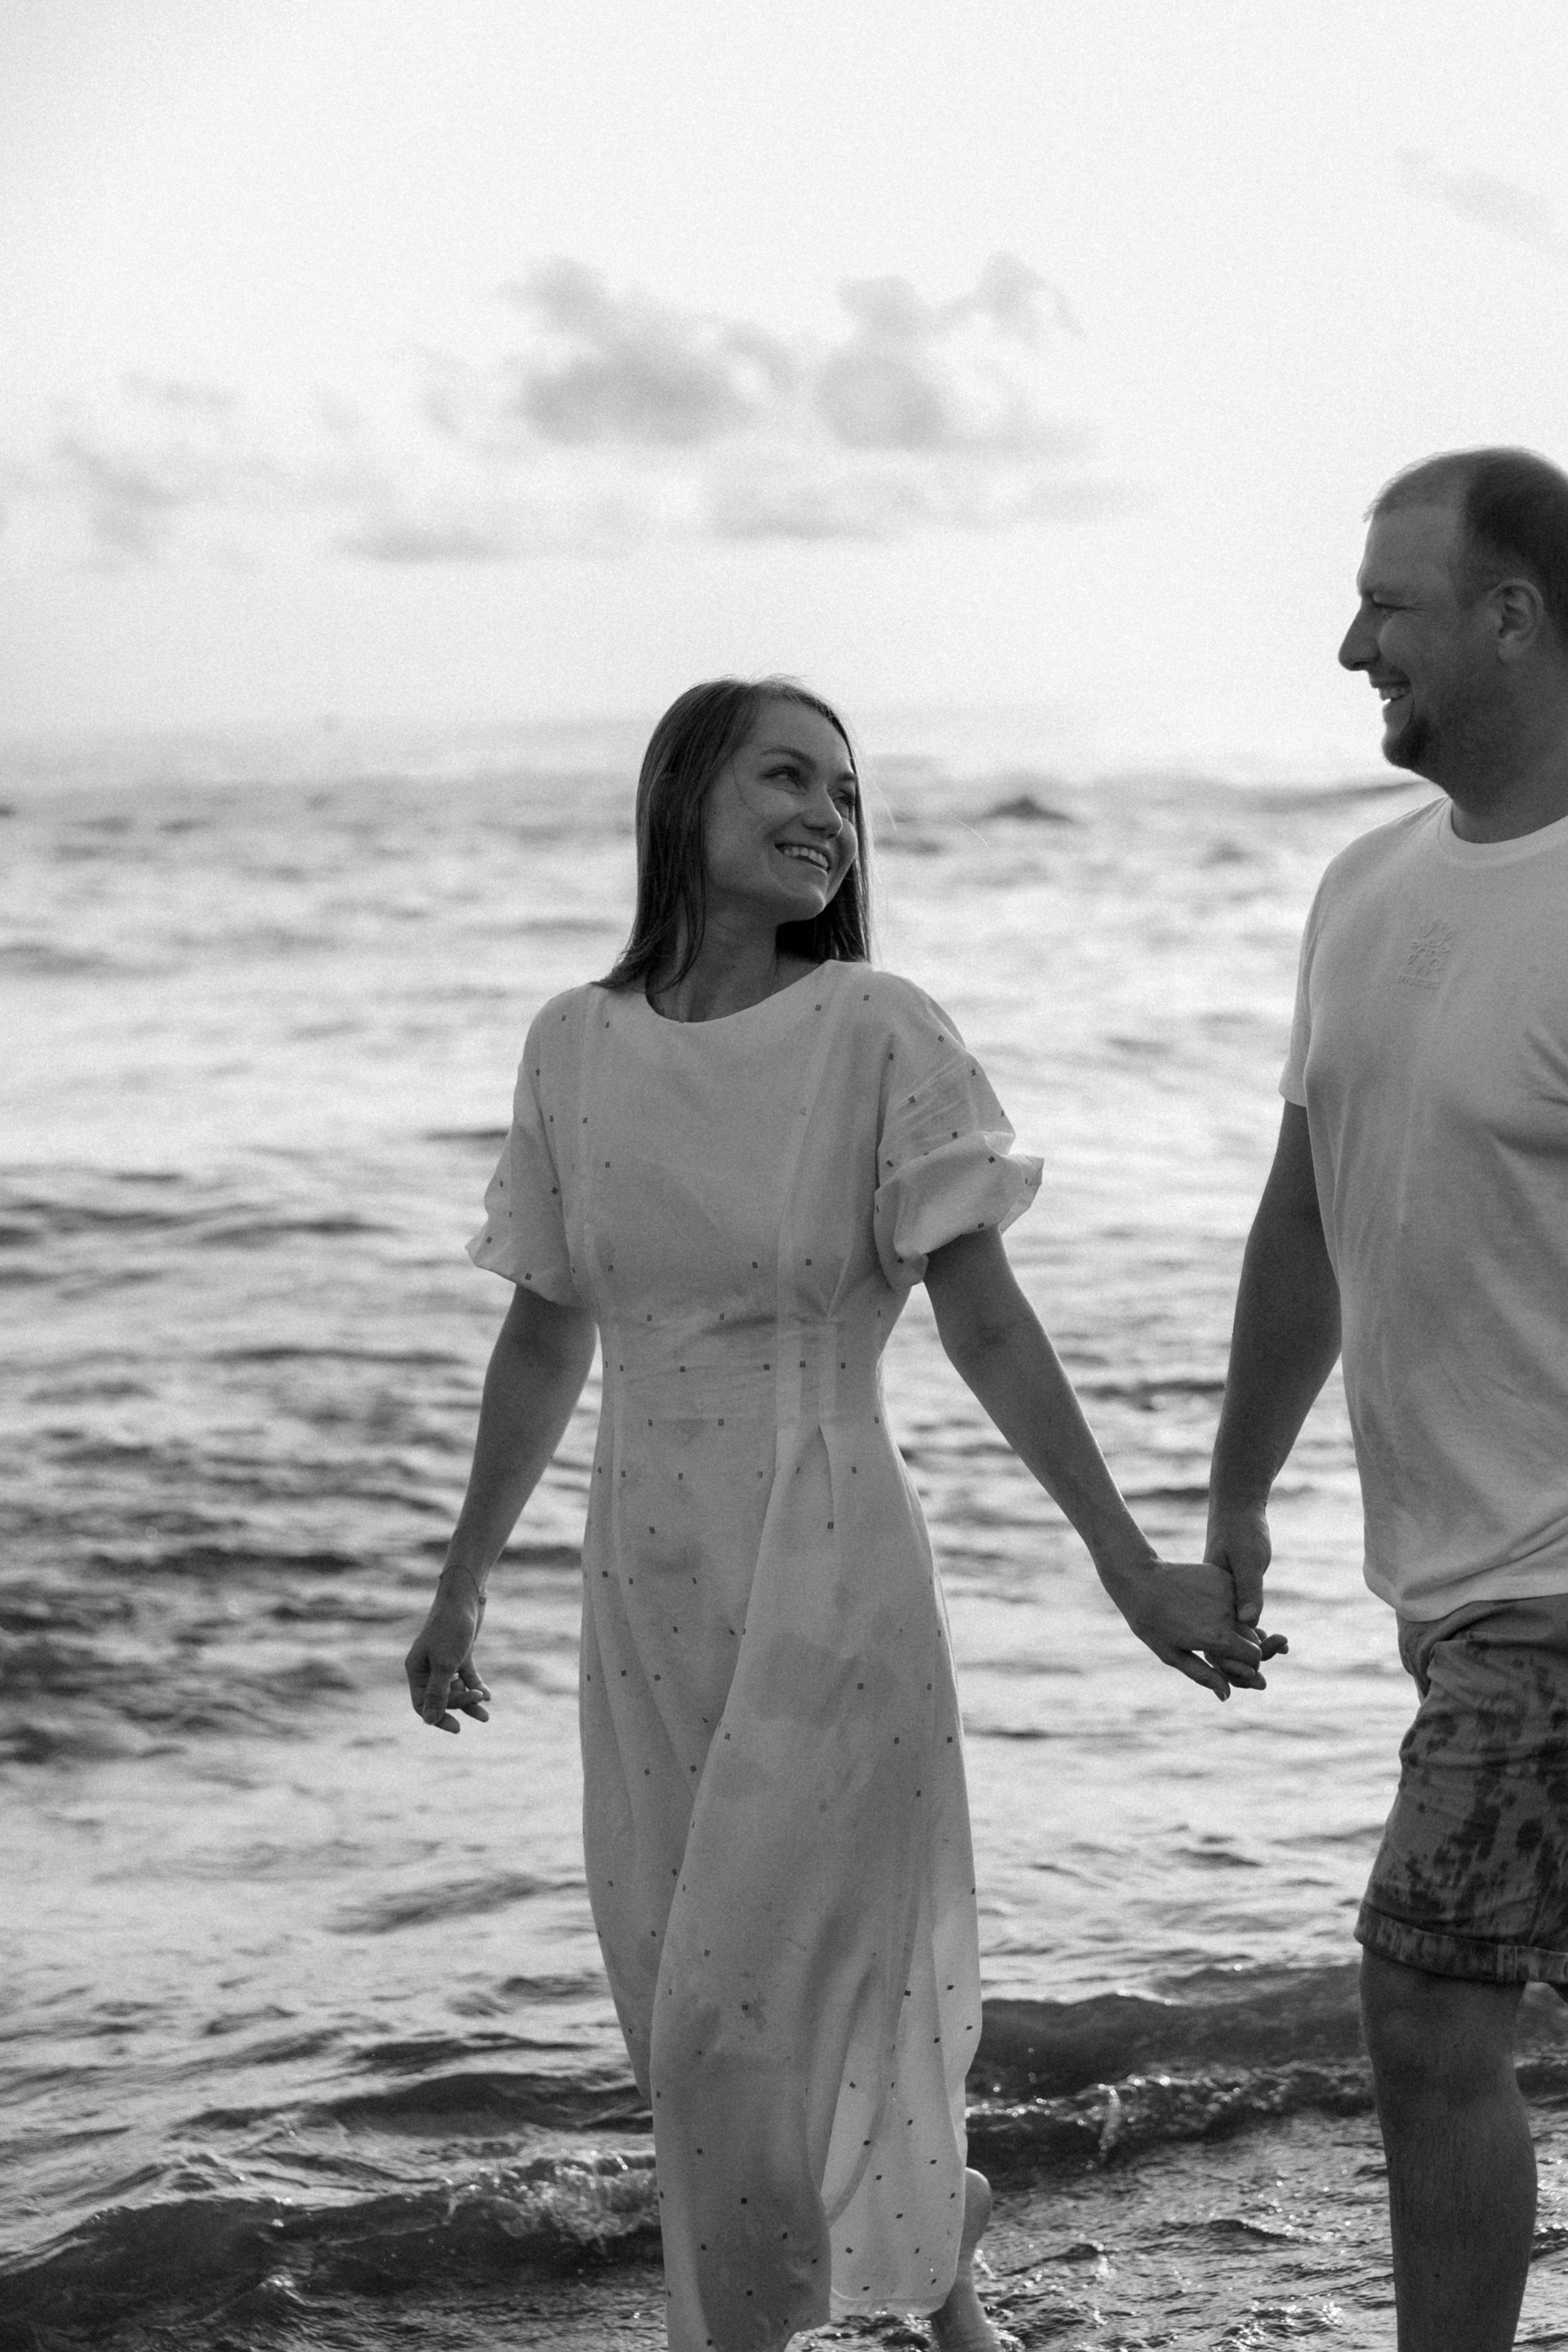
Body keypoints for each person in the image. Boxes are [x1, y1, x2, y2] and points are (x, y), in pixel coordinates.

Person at [408, 677, 1268, 2352]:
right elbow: (545, 1333)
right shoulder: (573, 1044)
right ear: (684, 800)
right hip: (646, 1571)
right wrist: (462, 1588)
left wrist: (1129, 1567)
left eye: (849, 794)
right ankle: (945, 2279)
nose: (830, 817)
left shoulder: (879, 1028)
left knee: (737, 2009)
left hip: (829, 1553)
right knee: (686, 2001)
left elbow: (988, 1321)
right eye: (789, 778)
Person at [1205, 448, 1568, 2352]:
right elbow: (1309, 1211)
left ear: (1513, 617)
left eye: (1387, 606)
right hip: (1451, 1584)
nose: (1352, 646)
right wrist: (1235, 1494)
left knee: (1426, 2004)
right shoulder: (1362, 890)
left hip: (1553, 1588)